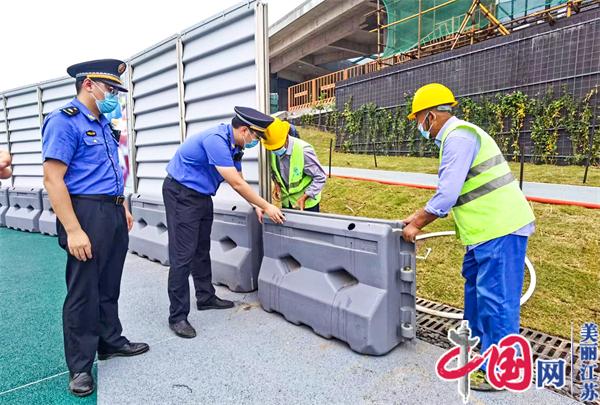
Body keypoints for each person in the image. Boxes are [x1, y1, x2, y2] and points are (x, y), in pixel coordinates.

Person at [402, 83, 535, 391]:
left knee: (497, 301)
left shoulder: (458, 137)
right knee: (477, 294)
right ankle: (484, 351)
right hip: (484, 233)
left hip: (499, 229)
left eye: (419, 120)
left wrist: (417, 224)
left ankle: (500, 371)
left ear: (432, 116)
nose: (420, 128)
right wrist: (417, 215)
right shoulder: (457, 137)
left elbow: (447, 194)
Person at [42, 59, 149, 397]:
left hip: (113, 211)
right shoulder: (64, 121)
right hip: (85, 212)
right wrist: (73, 229)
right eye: (111, 88)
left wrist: (124, 206)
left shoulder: (104, 123)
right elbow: (53, 179)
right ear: (89, 84)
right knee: (83, 290)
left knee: (108, 284)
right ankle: (80, 366)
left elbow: (113, 170)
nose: (114, 95)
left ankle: (110, 341)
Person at [163, 106, 285, 339]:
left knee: (201, 249)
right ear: (243, 130)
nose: (255, 142)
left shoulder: (235, 145)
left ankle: (205, 297)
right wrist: (268, 205)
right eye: (255, 137)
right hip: (180, 193)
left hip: (201, 195)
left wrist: (257, 204)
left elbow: (239, 178)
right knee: (182, 255)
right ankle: (177, 316)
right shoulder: (216, 140)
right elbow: (236, 184)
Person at [263, 122, 326, 212]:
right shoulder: (271, 149)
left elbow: (320, 177)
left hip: (307, 204)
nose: (275, 150)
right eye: (273, 148)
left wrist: (305, 196)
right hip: (287, 202)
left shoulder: (304, 150)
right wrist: (277, 184)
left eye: (277, 147)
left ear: (286, 138)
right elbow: (274, 170)